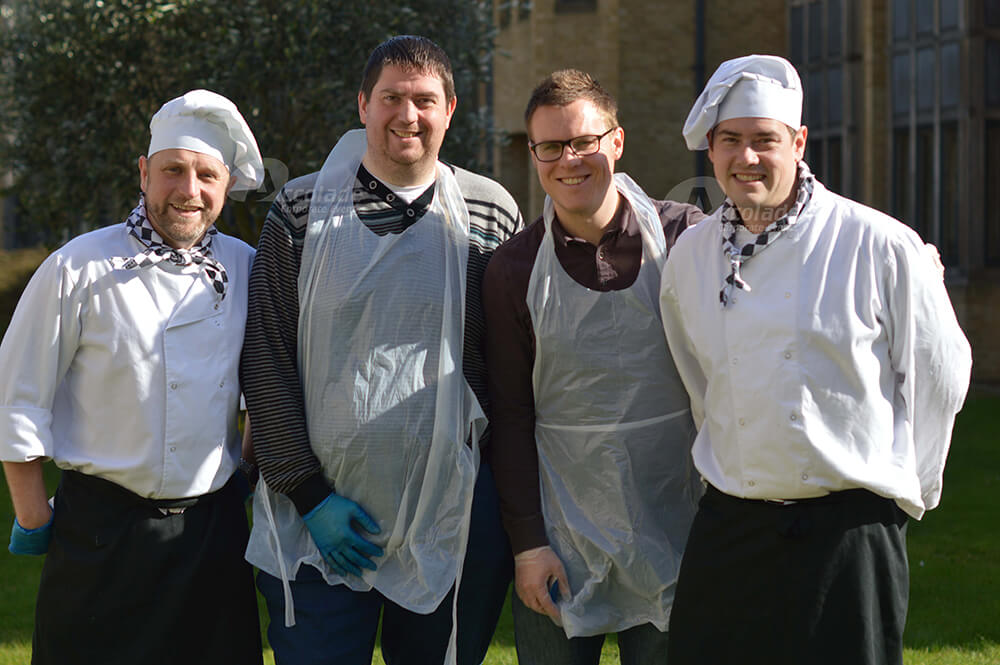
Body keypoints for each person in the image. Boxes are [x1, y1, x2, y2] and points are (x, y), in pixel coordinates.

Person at [659, 54, 973, 665]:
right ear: (712, 151)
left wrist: (912, 489)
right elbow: (699, 379)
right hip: (730, 524)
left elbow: (938, 373)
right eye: (731, 141)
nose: (746, 157)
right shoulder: (691, 256)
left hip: (847, 533)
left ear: (798, 142)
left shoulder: (878, 243)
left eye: (763, 141)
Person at [240, 35, 521, 665]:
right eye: (391, 97)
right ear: (363, 104)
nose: (407, 115)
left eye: (425, 99)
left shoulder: (489, 211)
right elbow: (266, 357)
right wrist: (307, 494)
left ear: (451, 108)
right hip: (319, 519)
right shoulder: (301, 208)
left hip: (451, 516)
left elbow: (508, 361)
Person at [0, 90, 265, 665]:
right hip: (100, 535)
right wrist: (33, 517)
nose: (188, 191)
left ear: (225, 185)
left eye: (205, 175)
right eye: (173, 171)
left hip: (211, 539)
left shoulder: (247, 267)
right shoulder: (77, 266)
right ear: (144, 173)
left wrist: (241, 471)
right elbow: (17, 396)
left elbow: (263, 387)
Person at [483, 69, 705, 665]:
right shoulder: (512, 270)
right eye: (551, 147)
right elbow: (509, 416)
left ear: (617, 141)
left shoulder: (686, 238)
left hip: (678, 527)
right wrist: (528, 544)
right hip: (562, 537)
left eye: (584, 141)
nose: (569, 160)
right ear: (534, 154)